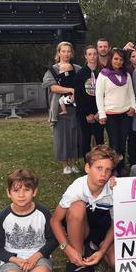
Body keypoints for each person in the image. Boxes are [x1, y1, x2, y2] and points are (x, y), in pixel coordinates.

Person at [50, 145, 121, 272]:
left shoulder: (114, 189)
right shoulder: (76, 188)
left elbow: (116, 224)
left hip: (103, 228)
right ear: (87, 168)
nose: (103, 174)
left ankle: (95, 249)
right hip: (82, 227)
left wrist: (102, 250)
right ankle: (78, 258)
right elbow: (55, 221)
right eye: (99, 168)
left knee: (116, 263)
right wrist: (67, 249)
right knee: (77, 206)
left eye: (108, 170)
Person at [0, 169, 57, 272]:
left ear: (35, 192)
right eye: (16, 190)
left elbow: (53, 240)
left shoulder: (43, 213)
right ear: (8, 193)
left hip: (38, 256)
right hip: (13, 259)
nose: (21, 195)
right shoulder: (2, 217)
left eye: (26, 190)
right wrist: (15, 260)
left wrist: (36, 256)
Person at [42, 41, 81, 174]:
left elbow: (82, 85)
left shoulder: (77, 69)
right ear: (58, 53)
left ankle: (74, 163)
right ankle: (65, 165)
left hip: (75, 108)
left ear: (72, 53)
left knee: (75, 135)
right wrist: (71, 89)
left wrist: (77, 93)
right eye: (63, 51)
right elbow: (53, 87)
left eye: (68, 51)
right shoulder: (52, 70)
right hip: (59, 108)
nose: (66, 54)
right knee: (62, 136)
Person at [95, 49, 136, 176]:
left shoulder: (127, 75)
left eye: (121, 59)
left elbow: (131, 93)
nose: (118, 62)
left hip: (125, 114)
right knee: (114, 143)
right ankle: (113, 168)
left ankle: (122, 166)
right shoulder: (103, 75)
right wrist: (101, 113)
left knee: (122, 142)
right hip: (110, 115)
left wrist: (133, 107)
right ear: (111, 59)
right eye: (116, 59)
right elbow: (98, 95)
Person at [74, 45, 105, 159]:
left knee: (99, 138)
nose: (92, 57)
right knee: (86, 139)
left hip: (99, 111)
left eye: (94, 54)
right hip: (85, 113)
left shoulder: (102, 72)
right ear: (85, 56)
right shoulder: (80, 74)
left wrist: (99, 112)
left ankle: (101, 160)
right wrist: (87, 114)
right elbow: (79, 96)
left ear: (97, 55)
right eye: (90, 54)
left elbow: (106, 94)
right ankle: (88, 163)